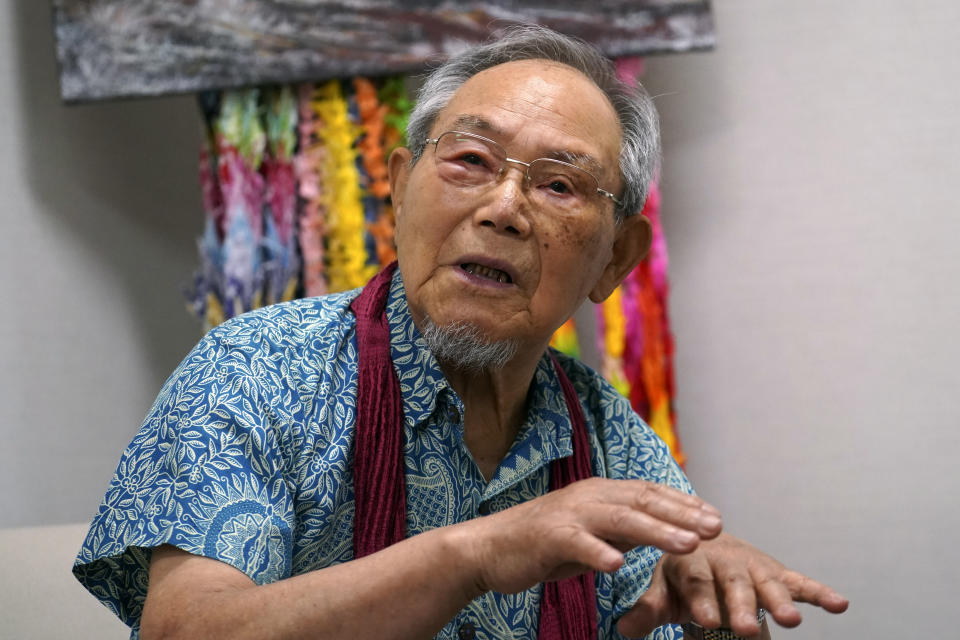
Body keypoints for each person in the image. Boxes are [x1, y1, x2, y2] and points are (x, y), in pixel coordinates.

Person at [74, 25, 848, 640]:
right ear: (401, 187)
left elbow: (682, 603)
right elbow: (187, 633)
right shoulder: (259, 369)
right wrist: (478, 554)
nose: (504, 207)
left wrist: (718, 611)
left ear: (614, 259)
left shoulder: (609, 441)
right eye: (471, 160)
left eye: (558, 184)